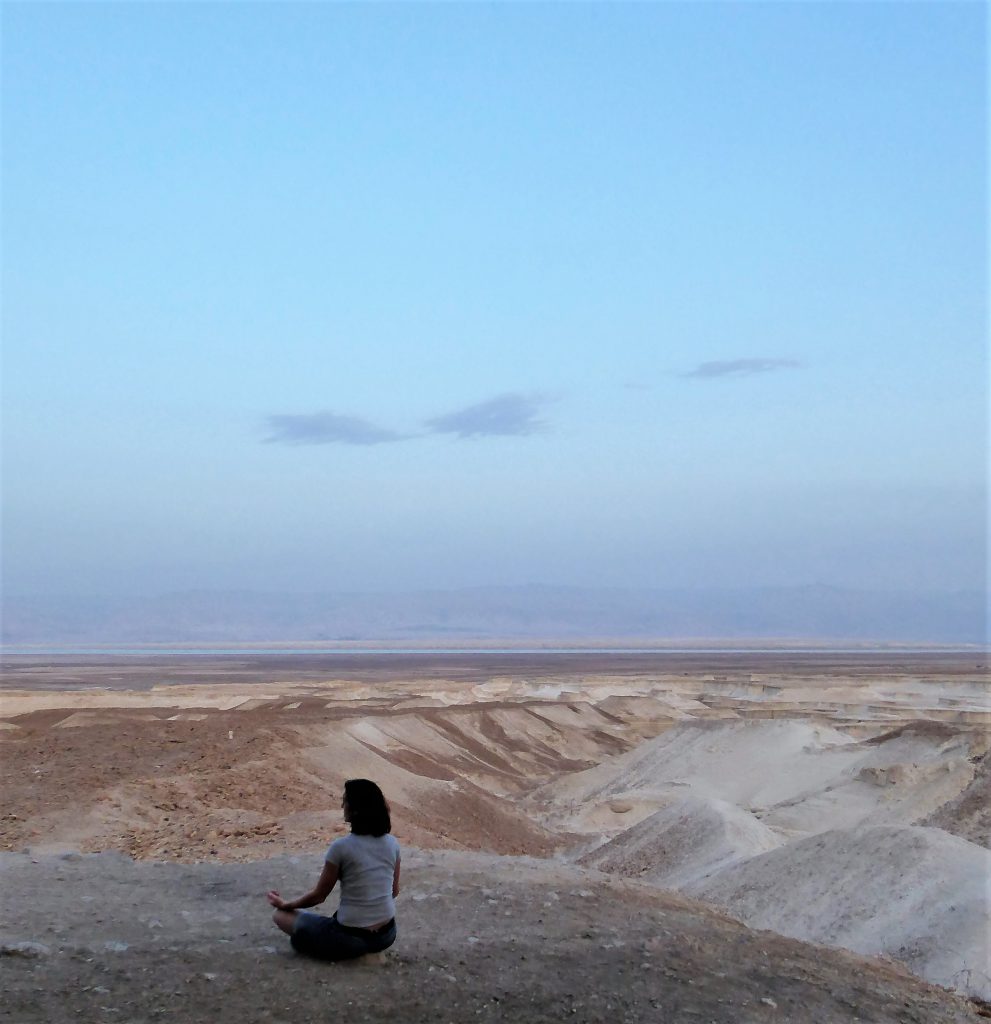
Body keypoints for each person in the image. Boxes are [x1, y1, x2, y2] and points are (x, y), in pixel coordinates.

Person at [267, 778, 400, 961]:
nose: (342, 805)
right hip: (386, 935)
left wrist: (285, 904)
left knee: (280, 916)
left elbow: (319, 896)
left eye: (345, 801)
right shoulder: (393, 844)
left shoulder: (341, 847)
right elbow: (394, 891)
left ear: (354, 809)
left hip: (349, 938)